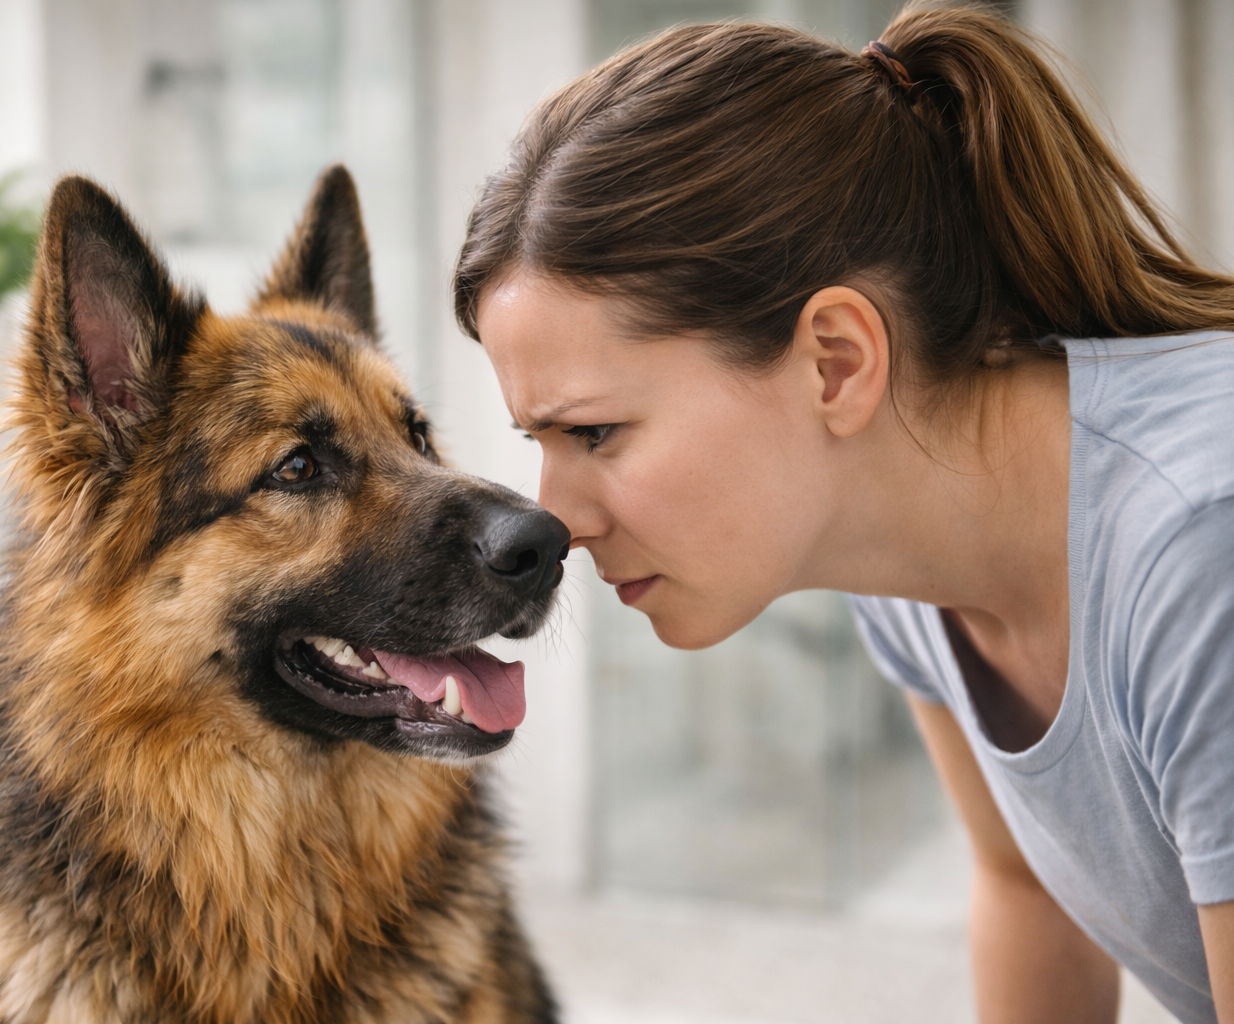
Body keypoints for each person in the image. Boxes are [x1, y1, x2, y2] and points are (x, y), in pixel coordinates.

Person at [453, 6, 1234, 1023]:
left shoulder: (1200, 546)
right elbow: (1023, 885)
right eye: (538, 444)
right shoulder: (902, 545)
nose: (558, 519)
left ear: (837, 360)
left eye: (595, 432)